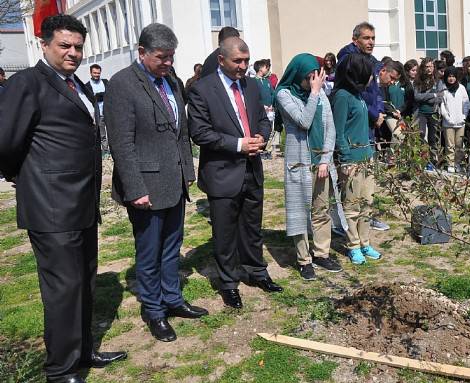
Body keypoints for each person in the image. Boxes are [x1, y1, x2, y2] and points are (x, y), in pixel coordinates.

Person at [0, 15, 126, 383]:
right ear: (44, 44)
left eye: (77, 46)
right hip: (52, 209)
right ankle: (61, 371)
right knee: (63, 290)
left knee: (84, 283)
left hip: (82, 205)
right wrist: (27, 176)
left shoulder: (78, 84)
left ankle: (83, 350)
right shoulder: (27, 83)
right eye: (64, 46)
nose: (73, 53)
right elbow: (5, 143)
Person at [106, 23, 207, 343]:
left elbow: (181, 131)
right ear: (141, 53)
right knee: (149, 252)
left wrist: (187, 172)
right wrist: (135, 189)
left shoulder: (172, 81)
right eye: (161, 57)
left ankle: (173, 300)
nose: (167, 62)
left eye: (171, 57)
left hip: (173, 182)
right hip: (145, 187)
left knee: (171, 247)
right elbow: (121, 143)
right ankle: (154, 310)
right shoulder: (123, 84)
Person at [188, 36, 283, 309]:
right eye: (237, 61)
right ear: (221, 60)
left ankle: (256, 271)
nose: (243, 66)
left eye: (246, 61)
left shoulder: (251, 86)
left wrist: (261, 138)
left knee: (252, 227)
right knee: (225, 232)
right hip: (222, 173)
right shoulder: (203, 89)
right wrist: (240, 144)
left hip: (252, 169)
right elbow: (200, 133)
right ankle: (228, 282)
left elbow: (264, 119)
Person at [275, 54, 345, 280]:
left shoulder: (320, 92)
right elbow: (304, 121)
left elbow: (330, 128)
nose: (314, 81)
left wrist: (325, 159)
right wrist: (314, 93)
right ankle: (304, 259)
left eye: (316, 77)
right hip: (299, 163)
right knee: (299, 211)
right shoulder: (284, 95)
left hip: (320, 163)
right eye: (310, 78)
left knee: (321, 209)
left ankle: (322, 253)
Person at [332, 53, 382, 265]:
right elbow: (338, 130)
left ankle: (365, 241)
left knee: (367, 203)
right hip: (351, 159)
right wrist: (344, 158)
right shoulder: (342, 96)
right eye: (369, 74)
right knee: (352, 206)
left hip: (367, 157)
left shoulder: (358, 95)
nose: (373, 78)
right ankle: (353, 245)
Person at [414, 57, 445, 169]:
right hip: (421, 113)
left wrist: (430, 98)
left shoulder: (438, 82)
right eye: (426, 66)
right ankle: (423, 159)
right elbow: (417, 97)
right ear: (423, 68)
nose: (429, 69)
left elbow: (440, 98)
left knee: (433, 138)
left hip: (433, 112)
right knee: (421, 135)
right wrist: (433, 95)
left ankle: (433, 160)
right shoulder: (418, 81)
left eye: (431, 66)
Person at [439, 66, 470, 173]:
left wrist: (464, 116)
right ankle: (450, 163)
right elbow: (442, 105)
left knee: (459, 144)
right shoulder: (443, 89)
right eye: (449, 76)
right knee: (449, 144)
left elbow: (466, 103)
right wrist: (447, 117)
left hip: (461, 122)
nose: (451, 79)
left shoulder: (461, 88)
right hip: (448, 123)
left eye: (453, 76)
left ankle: (458, 163)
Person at [88, 63, 110, 156]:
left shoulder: (105, 82)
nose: (96, 75)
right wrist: (100, 96)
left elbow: (110, 93)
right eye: (95, 73)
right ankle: (105, 151)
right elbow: (90, 99)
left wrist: (99, 95)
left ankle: (113, 149)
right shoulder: (88, 85)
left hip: (108, 112)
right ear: (90, 73)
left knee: (113, 132)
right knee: (102, 134)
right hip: (99, 114)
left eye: (98, 73)